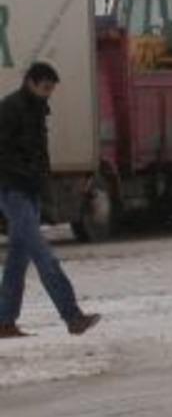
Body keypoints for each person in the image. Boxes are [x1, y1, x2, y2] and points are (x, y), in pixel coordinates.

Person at [0, 62, 101, 338]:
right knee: (43, 256)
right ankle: (72, 316)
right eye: (45, 88)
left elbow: (39, 153)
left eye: (51, 89)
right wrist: (26, 174)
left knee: (18, 260)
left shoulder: (37, 109)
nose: (48, 94)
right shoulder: (10, 108)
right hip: (12, 191)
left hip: (29, 191)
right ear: (31, 82)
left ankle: (4, 320)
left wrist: (40, 181)